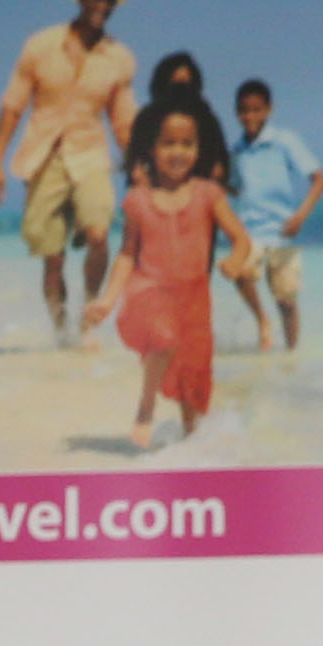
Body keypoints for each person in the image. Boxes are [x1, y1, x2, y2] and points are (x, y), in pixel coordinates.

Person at [0, 0, 139, 346]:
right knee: (52, 256)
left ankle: (89, 316)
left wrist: (138, 168)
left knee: (100, 231)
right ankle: (60, 332)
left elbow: (123, 121)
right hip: (43, 157)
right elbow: (13, 105)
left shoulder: (119, 58)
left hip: (91, 155)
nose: (101, 4)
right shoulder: (41, 44)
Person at [94, 99, 241, 451]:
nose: (178, 152)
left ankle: (190, 454)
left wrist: (236, 259)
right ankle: (145, 407)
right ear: (152, 149)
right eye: (169, 143)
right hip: (150, 292)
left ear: (198, 149)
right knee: (163, 336)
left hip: (193, 303)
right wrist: (108, 298)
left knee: (193, 391)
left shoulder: (209, 194)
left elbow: (241, 238)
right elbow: (127, 255)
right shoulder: (138, 200)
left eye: (187, 144)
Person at [219, 77, 323, 355]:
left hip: (283, 233)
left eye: (257, 109)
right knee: (238, 272)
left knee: (287, 302)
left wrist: (300, 217)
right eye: (244, 110)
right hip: (249, 233)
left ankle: (292, 356)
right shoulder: (237, 151)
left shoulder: (285, 141)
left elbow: (319, 179)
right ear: (236, 113)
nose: (250, 116)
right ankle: (262, 320)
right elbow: (236, 187)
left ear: (269, 110)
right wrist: (216, 183)